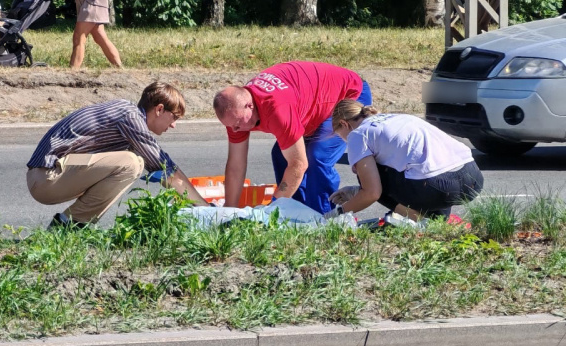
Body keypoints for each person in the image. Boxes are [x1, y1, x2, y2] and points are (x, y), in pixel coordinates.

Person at [27, 81, 208, 228]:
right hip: (47, 177)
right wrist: (205, 208)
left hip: (50, 174)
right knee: (132, 163)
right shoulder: (130, 118)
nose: (174, 125)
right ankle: (69, 225)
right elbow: (165, 167)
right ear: (159, 109)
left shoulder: (127, 114)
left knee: (130, 159)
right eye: (174, 117)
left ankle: (69, 224)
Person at [213, 61, 372, 214]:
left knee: (317, 156)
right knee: (280, 156)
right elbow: (235, 165)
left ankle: (324, 220)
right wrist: (229, 210)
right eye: (230, 125)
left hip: (348, 95)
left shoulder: (277, 109)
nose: (235, 129)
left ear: (250, 106)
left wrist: (272, 208)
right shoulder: (236, 116)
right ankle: (296, 216)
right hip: (312, 104)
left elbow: (298, 164)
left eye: (238, 123)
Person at [326, 99, 484, 221]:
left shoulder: (358, 134)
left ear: (344, 124)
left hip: (437, 187)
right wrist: (357, 191)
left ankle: (411, 218)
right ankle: (435, 220)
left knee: (369, 176)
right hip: (472, 177)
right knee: (421, 168)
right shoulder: (397, 117)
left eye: (342, 137)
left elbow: (372, 192)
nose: (346, 141)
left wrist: (337, 214)